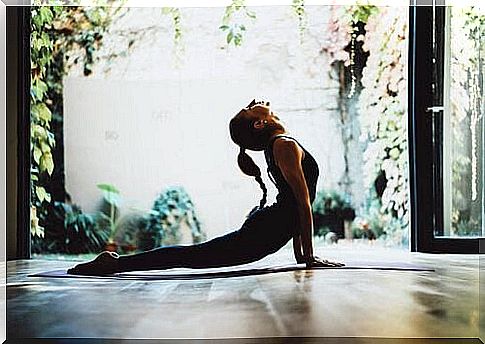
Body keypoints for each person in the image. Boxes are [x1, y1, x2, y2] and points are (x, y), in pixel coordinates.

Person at [67, 99, 345, 276]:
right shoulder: (283, 145)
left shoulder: (281, 145)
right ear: (260, 123)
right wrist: (308, 256)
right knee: (192, 256)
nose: (259, 102)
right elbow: (301, 203)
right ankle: (114, 264)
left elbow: (296, 204)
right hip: (264, 233)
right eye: (250, 107)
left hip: (268, 230)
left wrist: (301, 254)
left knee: (194, 255)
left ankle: (115, 263)